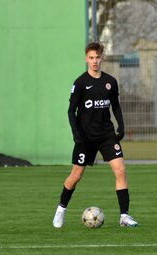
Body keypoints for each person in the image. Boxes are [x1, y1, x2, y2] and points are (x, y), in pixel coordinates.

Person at [52, 42, 138, 228]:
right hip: (86, 137)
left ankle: (124, 216)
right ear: (86, 59)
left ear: (102, 58)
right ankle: (61, 209)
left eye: (97, 57)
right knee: (76, 175)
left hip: (106, 135)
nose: (94, 61)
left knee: (121, 171)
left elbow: (115, 105)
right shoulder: (80, 83)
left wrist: (121, 126)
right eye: (91, 58)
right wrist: (76, 134)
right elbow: (71, 111)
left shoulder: (110, 82)